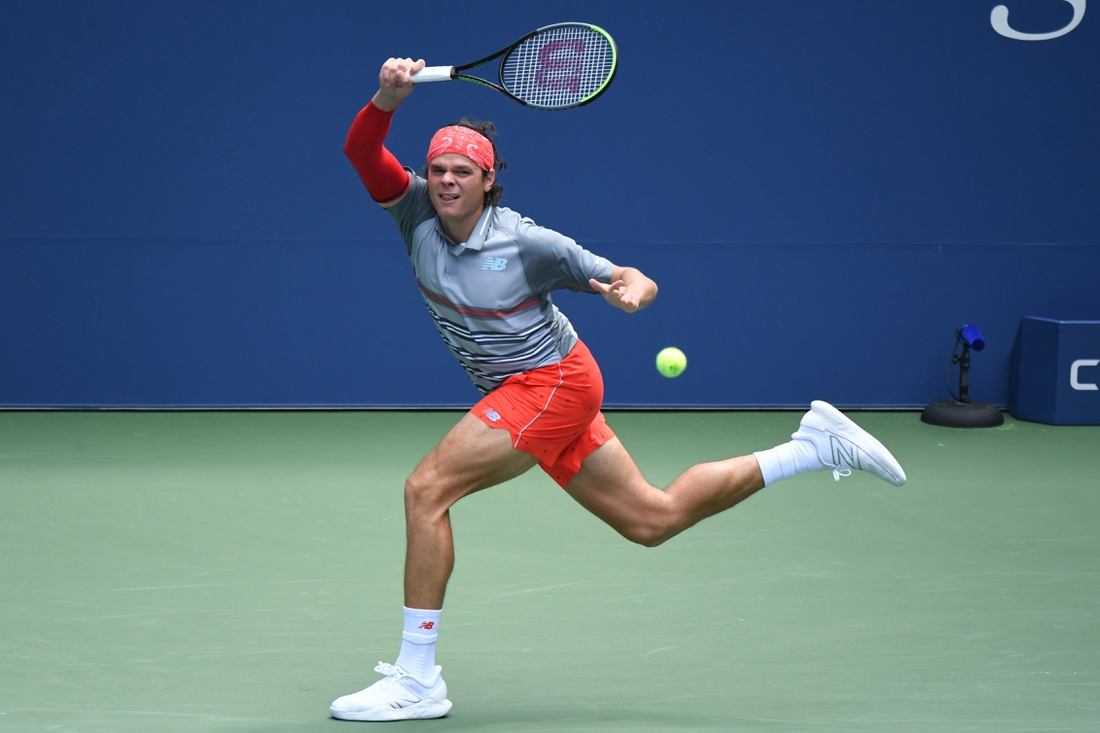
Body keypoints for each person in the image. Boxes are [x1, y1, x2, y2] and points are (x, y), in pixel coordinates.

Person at [330, 57, 907, 722]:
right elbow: (360, 148)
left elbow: (627, 276)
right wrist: (386, 96)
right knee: (651, 519)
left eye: (463, 171)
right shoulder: (413, 216)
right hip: (536, 393)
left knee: (426, 489)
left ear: (489, 182)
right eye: (438, 170)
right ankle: (812, 447)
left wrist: (635, 291)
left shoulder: (528, 243)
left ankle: (417, 677)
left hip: (551, 382)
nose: (447, 181)